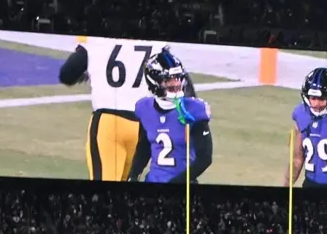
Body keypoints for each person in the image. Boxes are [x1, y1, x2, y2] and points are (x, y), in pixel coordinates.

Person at [58, 37, 158, 181]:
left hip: (108, 123)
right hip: (141, 129)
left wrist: (88, 71)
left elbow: (67, 75)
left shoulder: (97, 40)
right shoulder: (156, 44)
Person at [133, 49, 215, 184]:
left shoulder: (193, 109)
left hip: (182, 183)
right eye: (168, 80)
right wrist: (133, 175)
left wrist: (176, 183)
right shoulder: (145, 108)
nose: (176, 83)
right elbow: (144, 146)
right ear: (154, 81)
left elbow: (204, 158)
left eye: (177, 78)